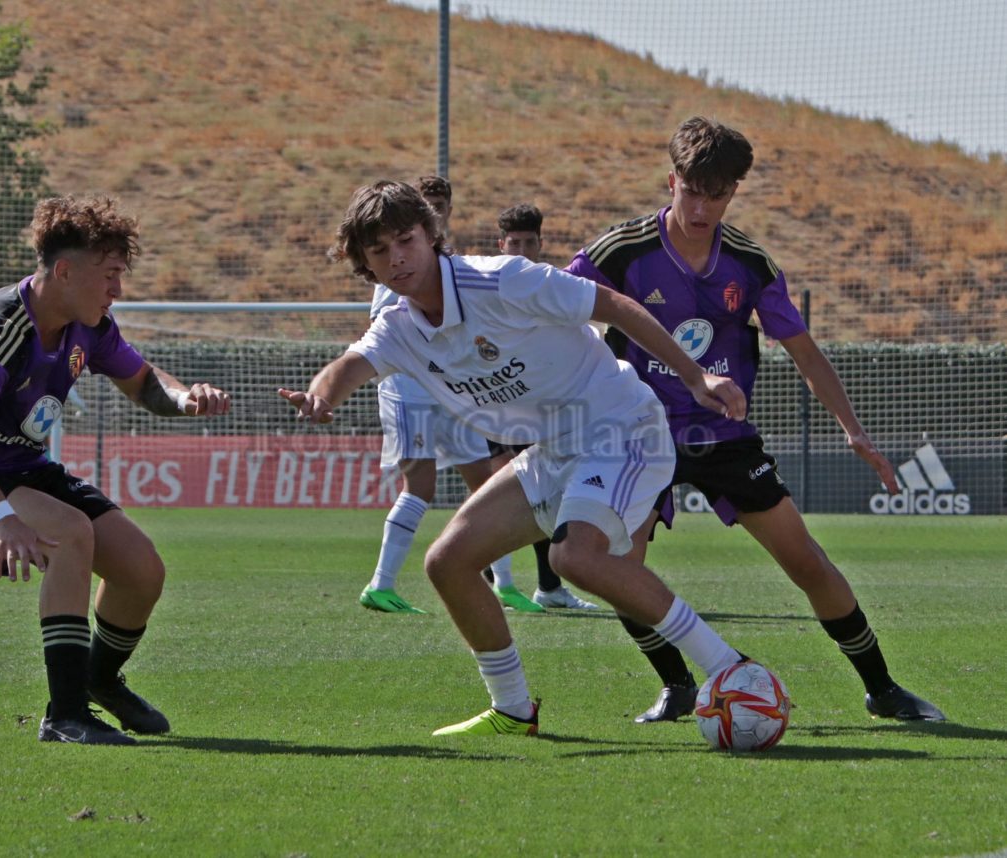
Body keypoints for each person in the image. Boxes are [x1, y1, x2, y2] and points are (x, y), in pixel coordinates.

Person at [279, 179, 760, 736]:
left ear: (432, 235)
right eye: (379, 250)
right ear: (364, 262)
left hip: (617, 424)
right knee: (447, 561)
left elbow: (616, 306)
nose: (397, 258)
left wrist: (695, 375)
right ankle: (512, 708)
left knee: (574, 559)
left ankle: (730, 666)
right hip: (555, 449)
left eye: (405, 240)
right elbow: (348, 366)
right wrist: (320, 396)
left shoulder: (502, 279)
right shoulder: (398, 327)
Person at [567, 116, 945, 723]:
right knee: (617, 566)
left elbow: (805, 352)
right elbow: (556, 308)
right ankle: (678, 685)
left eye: (716, 195)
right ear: (671, 181)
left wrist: (854, 430)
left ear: (733, 193)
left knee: (806, 561)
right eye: (692, 191)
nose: (701, 207)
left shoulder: (750, 264)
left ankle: (882, 688)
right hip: (636, 435)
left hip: (725, 437)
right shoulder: (622, 250)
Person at [0, 195, 232, 745]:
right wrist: (3, 518)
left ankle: (99, 681)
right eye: (109, 276)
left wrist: (184, 397)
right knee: (70, 534)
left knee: (142, 570)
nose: (117, 290)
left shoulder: (92, 327)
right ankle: (66, 715)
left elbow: (144, 382)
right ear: (65, 271)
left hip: (25, 470)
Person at [360, 176, 542, 615]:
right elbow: (389, 328)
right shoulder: (402, 264)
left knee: (486, 484)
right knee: (419, 485)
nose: (436, 210)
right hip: (409, 392)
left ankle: (505, 584)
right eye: (428, 204)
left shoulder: (447, 262)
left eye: (441, 204)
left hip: (449, 390)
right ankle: (380, 584)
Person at [490, 203, 597, 611]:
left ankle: (545, 586)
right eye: (513, 243)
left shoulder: (552, 284)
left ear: (541, 243)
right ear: (501, 244)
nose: (520, 250)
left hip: (542, 405)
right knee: (514, 494)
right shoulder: (481, 286)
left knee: (541, 496)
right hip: (494, 404)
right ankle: (507, 582)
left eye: (528, 242)